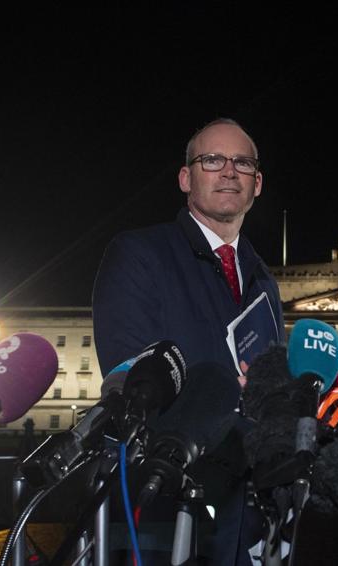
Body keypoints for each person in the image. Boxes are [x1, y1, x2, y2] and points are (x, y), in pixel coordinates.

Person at [93, 118, 284, 565]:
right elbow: (131, 377)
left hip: (246, 511)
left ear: (257, 184)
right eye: (212, 160)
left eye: (242, 163)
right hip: (165, 505)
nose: (229, 171)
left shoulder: (264, 281)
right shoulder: (139, 253)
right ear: (186, 178)